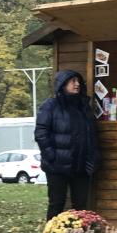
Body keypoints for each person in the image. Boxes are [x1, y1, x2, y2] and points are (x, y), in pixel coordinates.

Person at [35, 70, 100, 221]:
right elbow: (41, 133)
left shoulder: (84, 107)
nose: (77, 84)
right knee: (57, 203)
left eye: (78, 81)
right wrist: (52, 156)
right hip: (57, 166)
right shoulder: (50, 105)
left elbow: (92, 134)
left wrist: (93, 157)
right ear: (62, 84)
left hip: (81, 166)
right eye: (72, 81)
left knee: (81, 206)